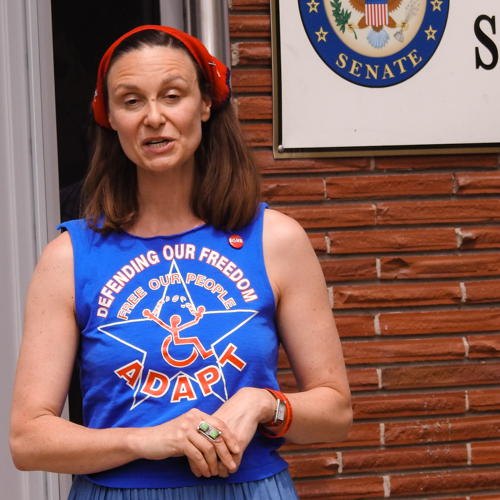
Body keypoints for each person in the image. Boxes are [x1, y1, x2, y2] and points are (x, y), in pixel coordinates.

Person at [10, 25, 352, 499]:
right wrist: (143, 440)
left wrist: (260, 404)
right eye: (131, 101)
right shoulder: (69, 257)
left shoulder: (276, 239)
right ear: (109, 117)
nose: (154, 117)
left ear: (205, 104)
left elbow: (335, 414)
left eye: (172, 95)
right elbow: (27, 440)